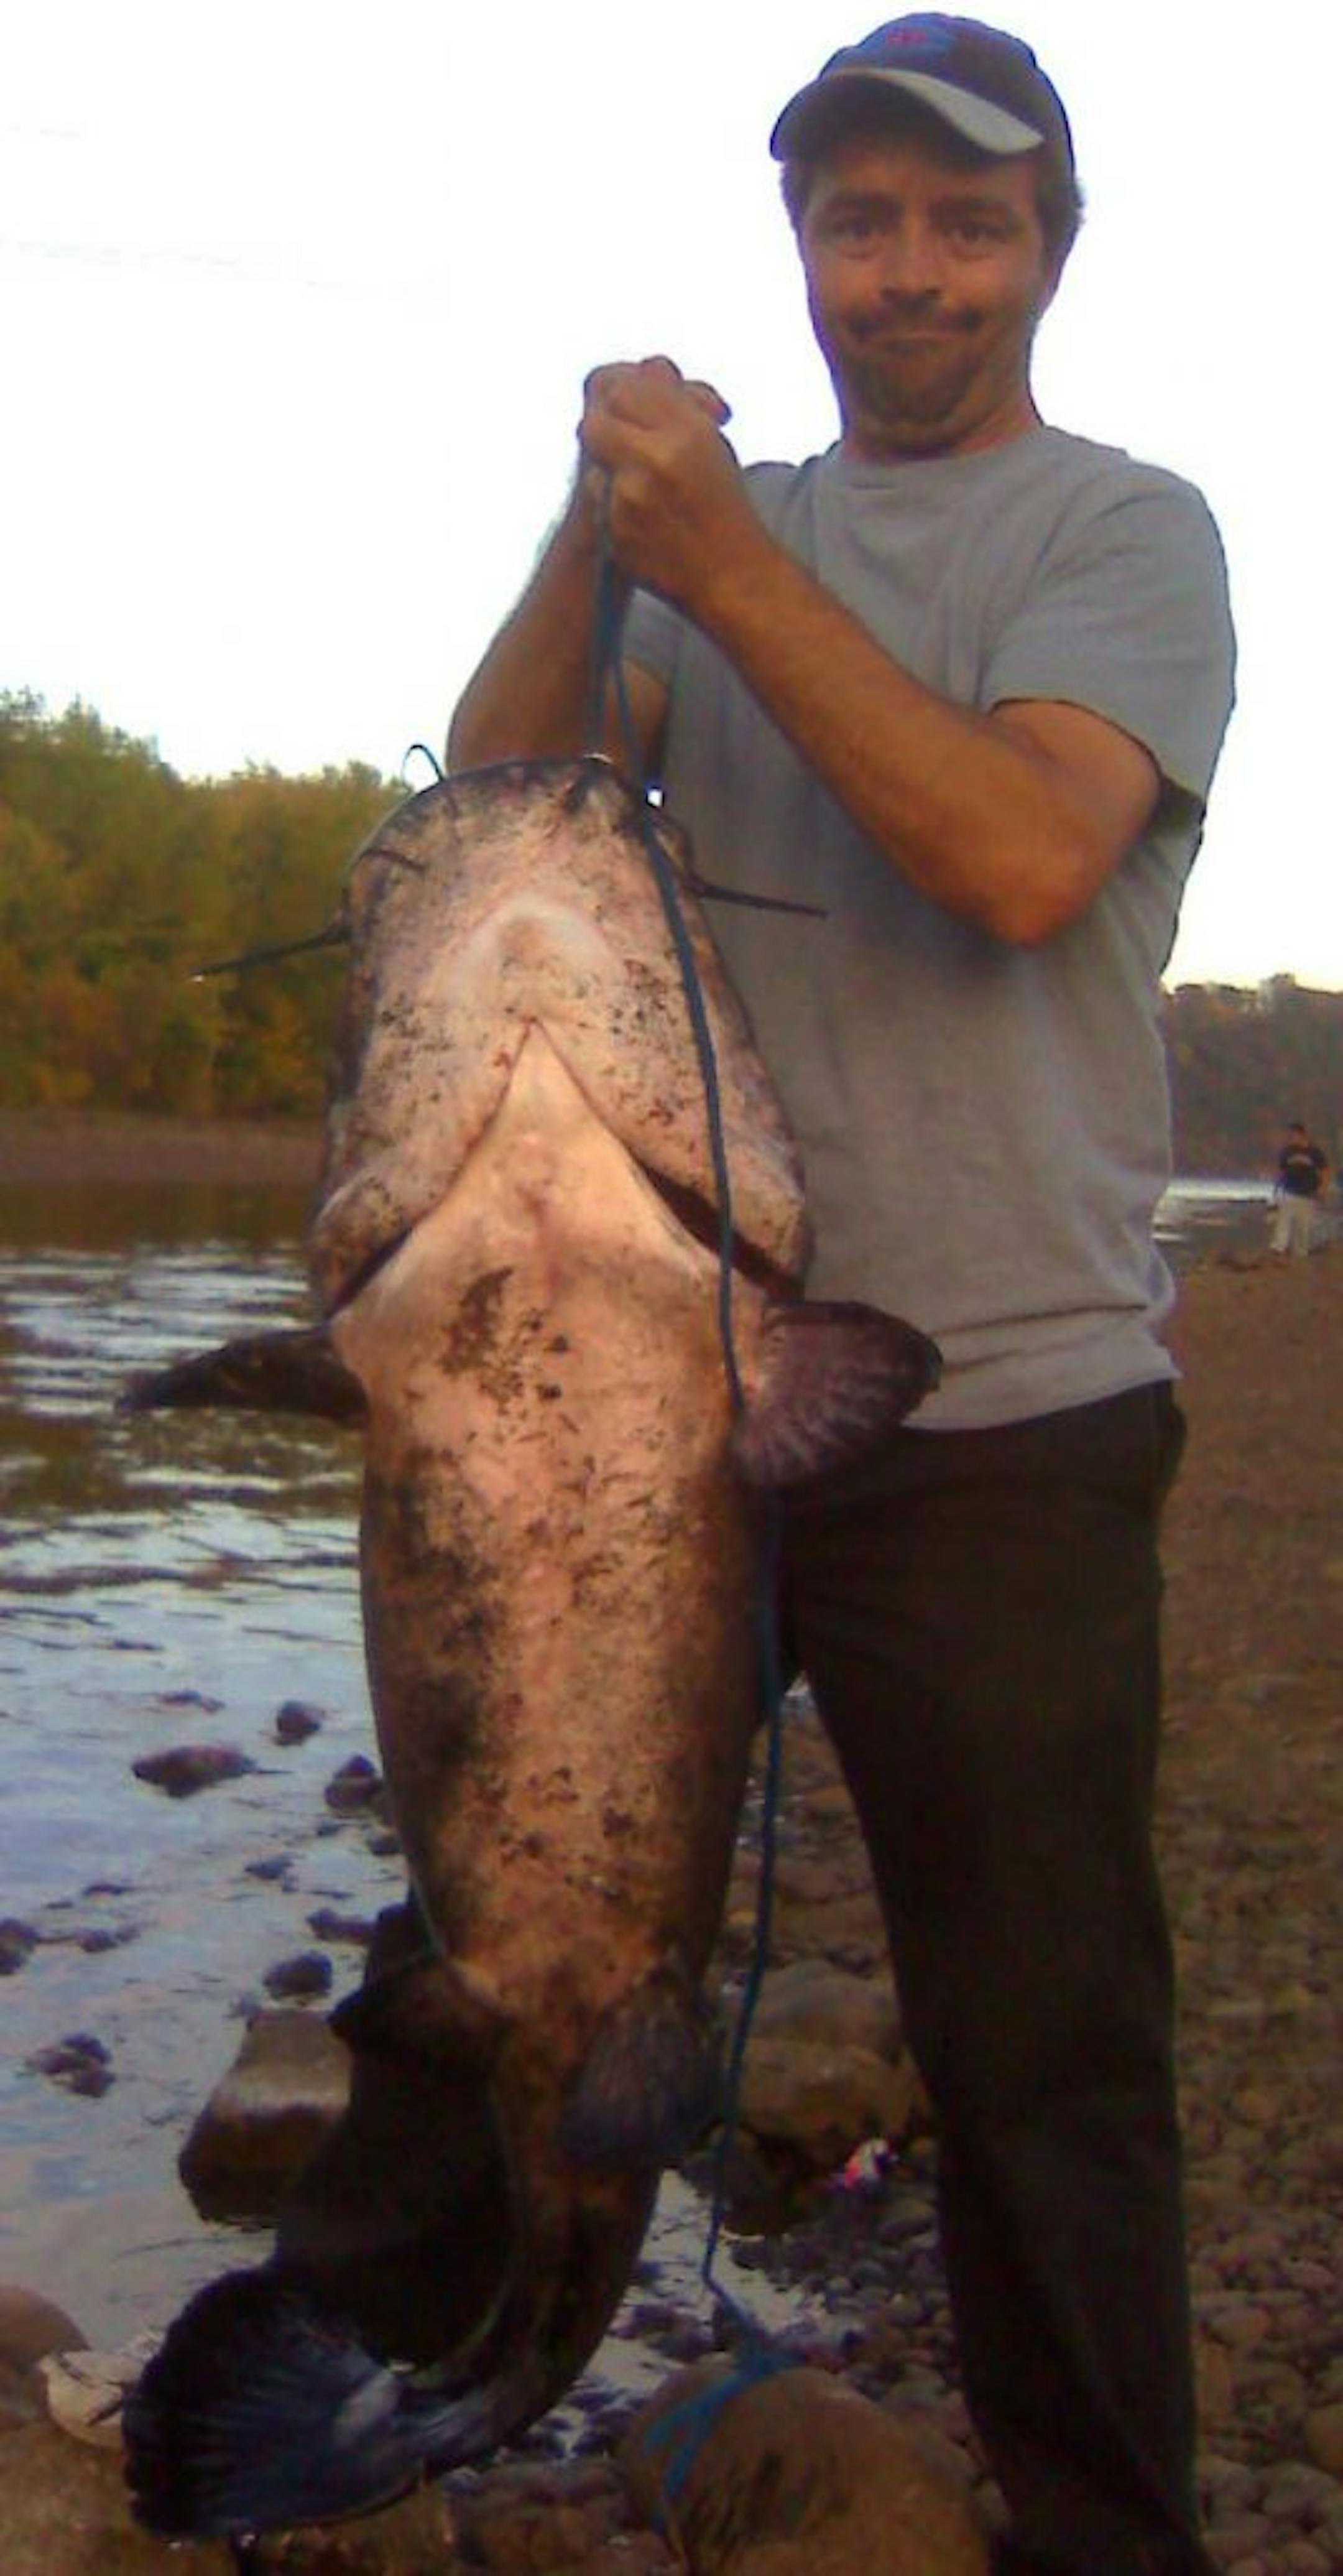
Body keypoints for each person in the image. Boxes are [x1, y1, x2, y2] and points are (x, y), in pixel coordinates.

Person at [448, 17, 1237, 2572]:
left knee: (1044, 2061)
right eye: (860, 223)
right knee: (498, 1944)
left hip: (1003, 1423)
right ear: (803, 250)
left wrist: (733, 564)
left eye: (965, 224)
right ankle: (421, 2362)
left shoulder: (1130, 533)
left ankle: (1113, 2531)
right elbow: (504, 793)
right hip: (653, 1422)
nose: (908, 276)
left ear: (1052, 252)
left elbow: (1013, 855)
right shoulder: (703, 542)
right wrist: (598, 527)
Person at [1270, 1119, 1329, 1257]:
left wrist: (1322, 1189)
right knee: (1283, 1222)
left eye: (1293, 1135)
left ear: (1302, 1135)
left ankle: (1301, 1254)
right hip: (1289, 1192)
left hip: (1308, 1194)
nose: (1291, 1138)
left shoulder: (1315, 1153)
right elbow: (1281, 1171)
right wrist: (1277, 1189)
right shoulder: (1287, 1152)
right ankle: (1279, 1249)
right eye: (1290, 1135)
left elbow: (1325, 1171)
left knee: (1303, 1228)